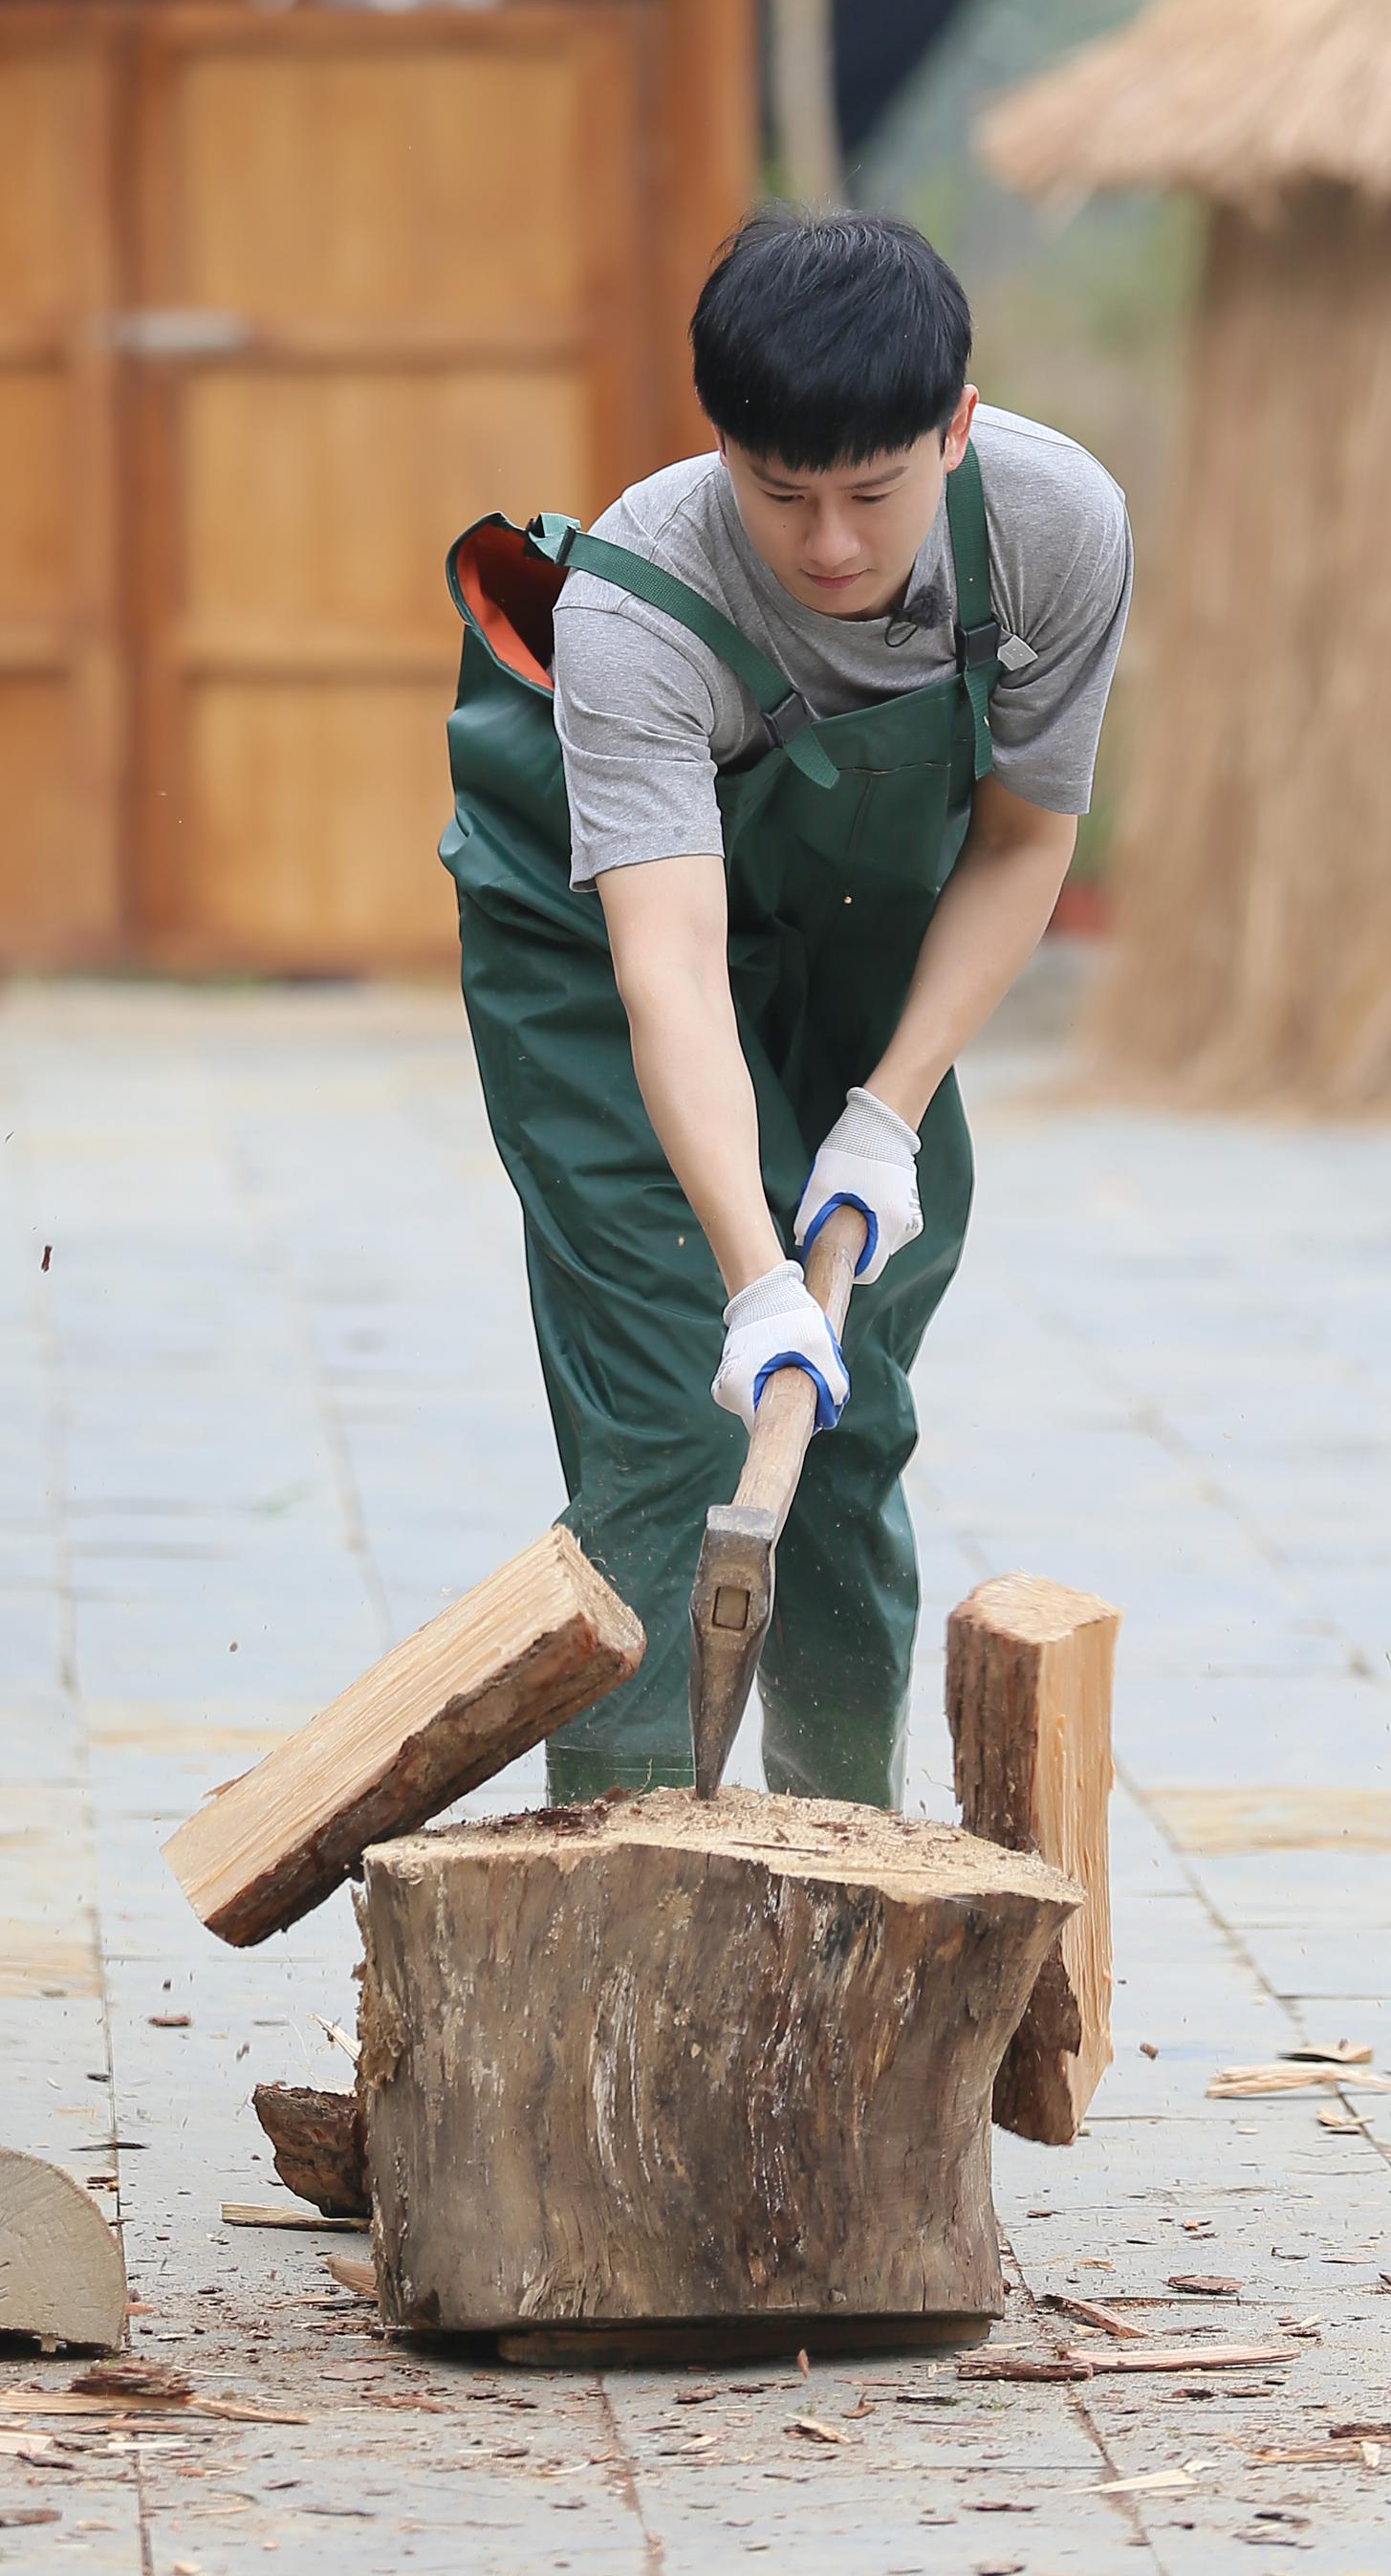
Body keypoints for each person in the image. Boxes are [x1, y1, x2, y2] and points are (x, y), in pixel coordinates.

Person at [440, 207, 1130, 1804]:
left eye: (874, 494)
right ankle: (615, 1875)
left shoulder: (1051, 527)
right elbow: (666, 964)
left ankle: (839, 1851)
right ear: (721, 448)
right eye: (781, 493)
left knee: (851, 1412)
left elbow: (1026, 841)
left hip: (863, 915)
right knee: (683, 1411)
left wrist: (884, 1116)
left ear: (954, 430)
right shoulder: (634, 604)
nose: (827, 545)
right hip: (602, 935)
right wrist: (755, 1284)